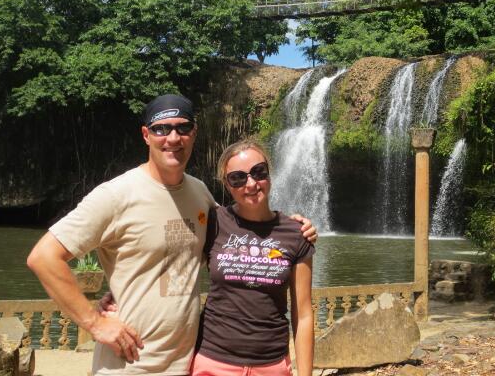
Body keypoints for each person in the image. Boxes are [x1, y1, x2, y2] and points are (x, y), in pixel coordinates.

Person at [27, 94, 315, 376]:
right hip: (130, 365)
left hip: (187, 362)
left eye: (182, 128)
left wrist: (293, 226)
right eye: (161, 129)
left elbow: (241, 230)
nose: (173, 138)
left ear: (194, 133)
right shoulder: (115, 195)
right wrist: (94, 322)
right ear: (146, 135)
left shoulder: (199, 194)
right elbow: (44, 257)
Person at [190, 140, 314, 376]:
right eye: (237, 178)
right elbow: (170, 257)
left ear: (269, 173)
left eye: (259, 172)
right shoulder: (213, 222)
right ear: (227, 185)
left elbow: (304, 314)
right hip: (213, 362)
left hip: (271, 365)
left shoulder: (296, 233)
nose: (251, 184)